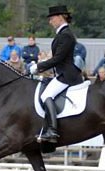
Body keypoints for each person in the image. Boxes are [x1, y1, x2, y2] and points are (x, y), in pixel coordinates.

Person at [30, 5, 83, 143]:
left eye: (52, 18)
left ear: (60, 17)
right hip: (61, 73)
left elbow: (58, 58)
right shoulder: (62, 34)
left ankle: (52, 131)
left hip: (67, 75)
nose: (50, 21)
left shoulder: (66, 35)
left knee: (46, 95)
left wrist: (38, 67)